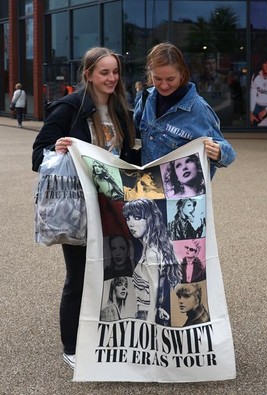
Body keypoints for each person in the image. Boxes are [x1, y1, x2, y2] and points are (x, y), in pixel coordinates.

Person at [31, 46, 140, 370]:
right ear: (89, 74)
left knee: (114, 273)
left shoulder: (121, 109)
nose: (111, 78)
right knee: (78, 276)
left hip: (113, 206)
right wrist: (57, 148)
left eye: (115, 72)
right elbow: (38, 155)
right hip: (78, 209)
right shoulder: (69, 107)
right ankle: (72, 345)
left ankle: (106, 334)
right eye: (104, 72)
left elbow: (127, 158)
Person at [133, 43, 236, 177]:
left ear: (182, 74)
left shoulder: (199, 109)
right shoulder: (146, 98)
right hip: (148, 188)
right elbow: (134, 131)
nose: (164, 85)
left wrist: (219, 152)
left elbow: (229, 153)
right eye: (157, 78)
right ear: (149, 73)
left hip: (181, 193)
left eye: (170, 79)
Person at [123, 198, 181, 326]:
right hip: (146, 312)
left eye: (137, 218)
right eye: (128, 218)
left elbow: (154, 285)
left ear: (149, 219)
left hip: (146, 317)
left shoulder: (151, 253)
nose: (131, 223)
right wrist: (157, 308)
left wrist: (151, 315)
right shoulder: (150, 247)